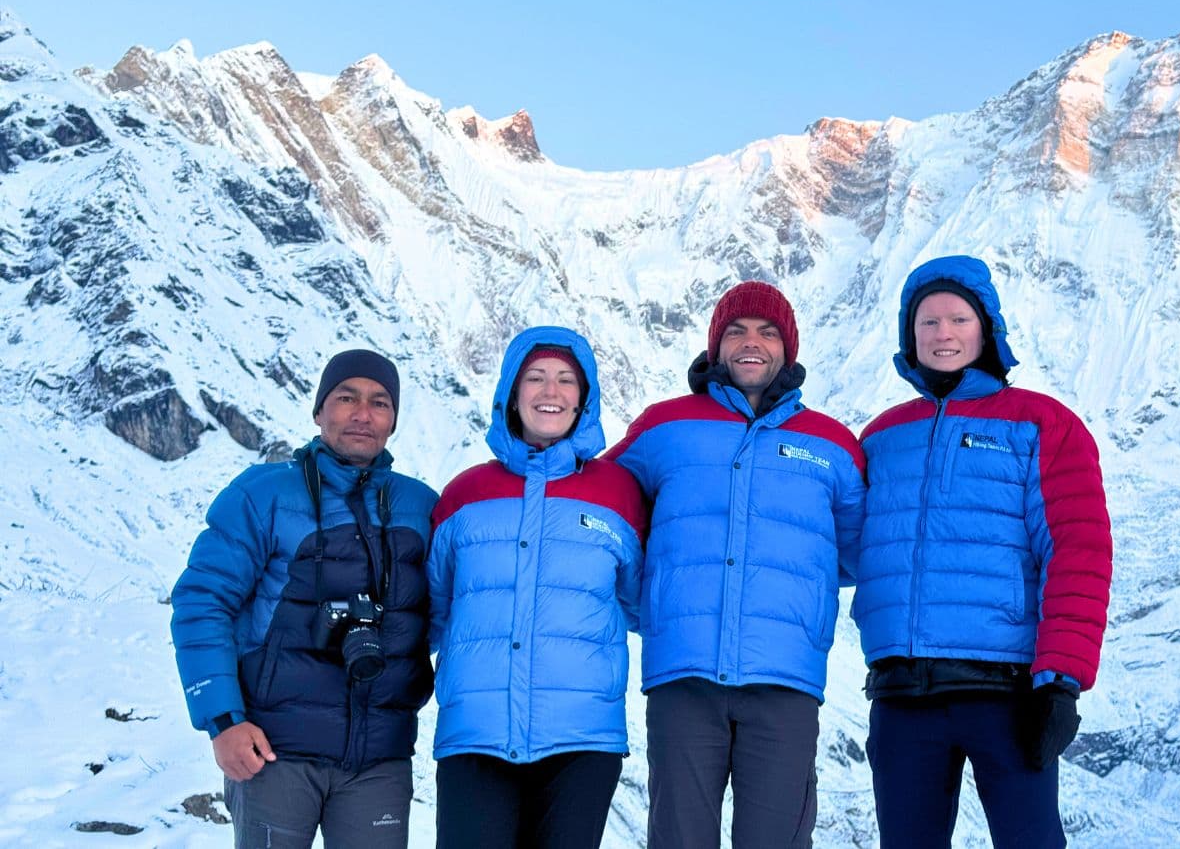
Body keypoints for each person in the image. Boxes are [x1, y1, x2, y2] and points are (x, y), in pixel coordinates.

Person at [852, 255, 1113, 848]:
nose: (943, 334)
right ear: (908, 336)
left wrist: (1061, 681)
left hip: (1007, 693)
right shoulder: (883, 436)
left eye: (958, 319)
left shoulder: (1043, 424)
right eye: (928, 322)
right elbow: (847, 546)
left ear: (986, 329)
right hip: (901, 694)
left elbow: (1078, 550)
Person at [606, 281, 865, 849]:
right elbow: (603, 511)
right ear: (715, 346)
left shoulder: (832, 445)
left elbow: (852, 552)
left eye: (767, 332)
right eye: (737, 331)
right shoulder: (663, 428)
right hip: (684, 675)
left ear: (787, 347)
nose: (752, 343)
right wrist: (654, 597)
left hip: (786, 678)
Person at [170, 349, 437, 848]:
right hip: (273, 751)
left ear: (394, 419)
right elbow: (202, 602)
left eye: (380, 402)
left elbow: (436, 617)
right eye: (346, 398)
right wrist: (224, 720)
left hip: (380, 760)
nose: (363, 414)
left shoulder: (420, 506)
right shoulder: (264, 494)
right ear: (319, 412)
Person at [429, 326, 644, 849]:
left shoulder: (619, 494)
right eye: (536, 378)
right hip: (476, 735)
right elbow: (434, 610)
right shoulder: (463, 495)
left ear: (584, 398)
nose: (551, 392)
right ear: (511, 392)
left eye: (567, 380)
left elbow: (638, 600)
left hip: (581, 738)